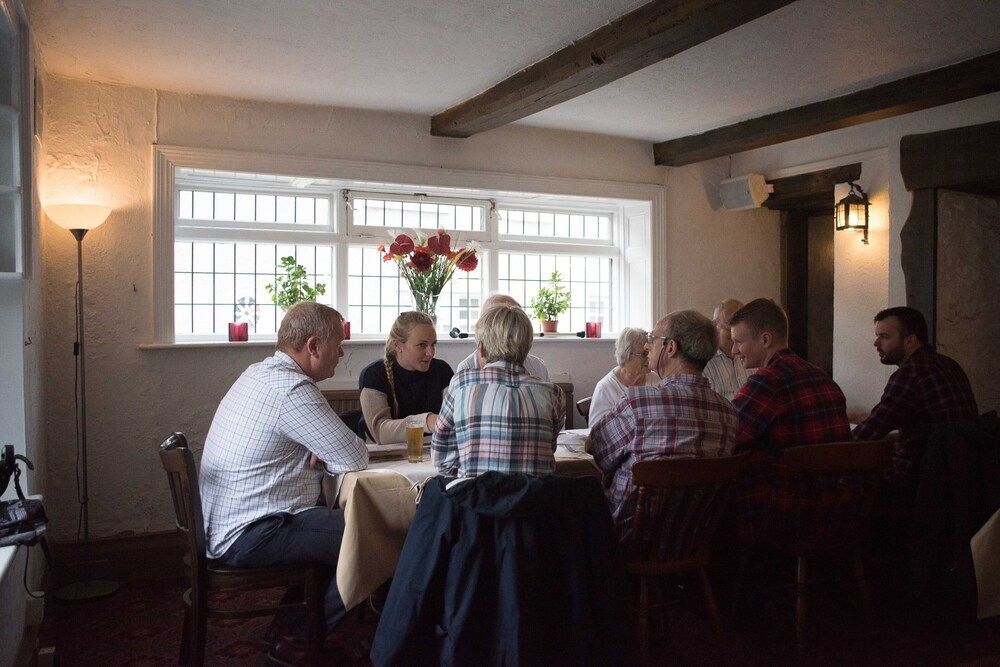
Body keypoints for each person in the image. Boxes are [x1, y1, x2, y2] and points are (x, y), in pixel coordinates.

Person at [200, 302, 368, 660]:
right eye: (338, 344)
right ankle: (298, 639)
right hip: (252, 532)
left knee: (344, 528)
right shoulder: (292, 389)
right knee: (372, 535)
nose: (342, 353)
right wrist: (325, 450)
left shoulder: (258, 374)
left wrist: (321, 449)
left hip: (228, 525)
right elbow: (355, 457)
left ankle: (290, 630)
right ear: (313, 346)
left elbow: (334, 451)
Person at [589, 310, 738, 537]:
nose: (648, 345)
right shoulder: (729, 414)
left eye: (653, 338)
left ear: (671, 348)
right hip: (694, 540)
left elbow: (598, 452)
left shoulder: (637, 403)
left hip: (629, 538)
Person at [729, 298, 850, 540]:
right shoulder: (824, 378)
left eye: (738, 342)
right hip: (837, 512)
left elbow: (727, 438)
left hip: (785, 514)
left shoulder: (766, 382)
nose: (733, 350)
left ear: (765, 340)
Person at [433, 304, 565, 477]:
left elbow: (442, 460)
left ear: (481, 348)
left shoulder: (461, 384)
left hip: (477, 493)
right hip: (535, 494)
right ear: (527, 348)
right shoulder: (553, 394)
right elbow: (549, 450)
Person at [852, 306, 978, 484]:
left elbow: (871, 430)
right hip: (964, 474)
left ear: (910, 340)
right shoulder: (949, 364)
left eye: (884, 337)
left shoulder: (911, 373)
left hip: (921, 477)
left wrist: (829, 446)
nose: (876, 343)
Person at [359, 311, 454, 444]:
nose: (430, 353)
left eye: (433, 344)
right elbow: (380, 432)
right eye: (422, 345)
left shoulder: (442, 370)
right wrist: (427, 421)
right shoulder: (374, 374)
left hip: (432, 449)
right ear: (398, 346)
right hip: (383, 453)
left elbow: (455, 417)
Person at [455, 294, 550, 380]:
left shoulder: (538, 366)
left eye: (513, 321)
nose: (506, 330)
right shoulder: (466, 368)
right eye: (498, 321)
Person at [588, 327, 658, 427]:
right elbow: (596, 429)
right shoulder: (605, 388)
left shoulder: (658, 381)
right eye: (644, 354)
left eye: (650, 352)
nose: (649, 357)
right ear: (626, 355)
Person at [702, 298, 752, 401]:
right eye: (730, 328)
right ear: (714, 326)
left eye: (742, 328)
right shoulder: (703, 362)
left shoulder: (753, 357)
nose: (736, 335)